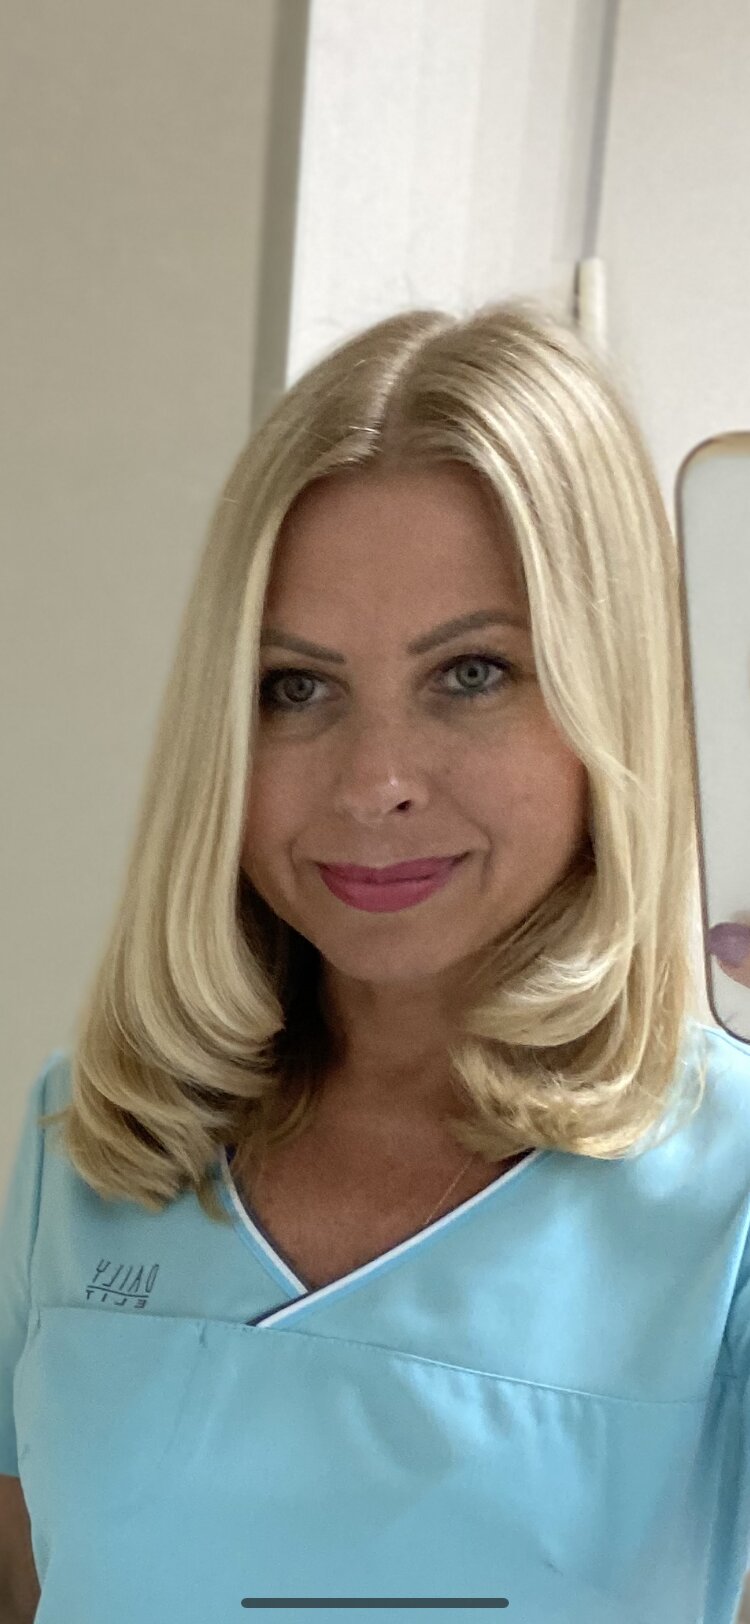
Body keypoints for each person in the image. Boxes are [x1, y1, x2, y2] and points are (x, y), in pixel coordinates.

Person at [2, 299, 750, 1624]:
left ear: (612, 698)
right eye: (296, 687)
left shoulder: (728, 1186)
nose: (374, 781)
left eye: (471, 674)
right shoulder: (93, 1141)